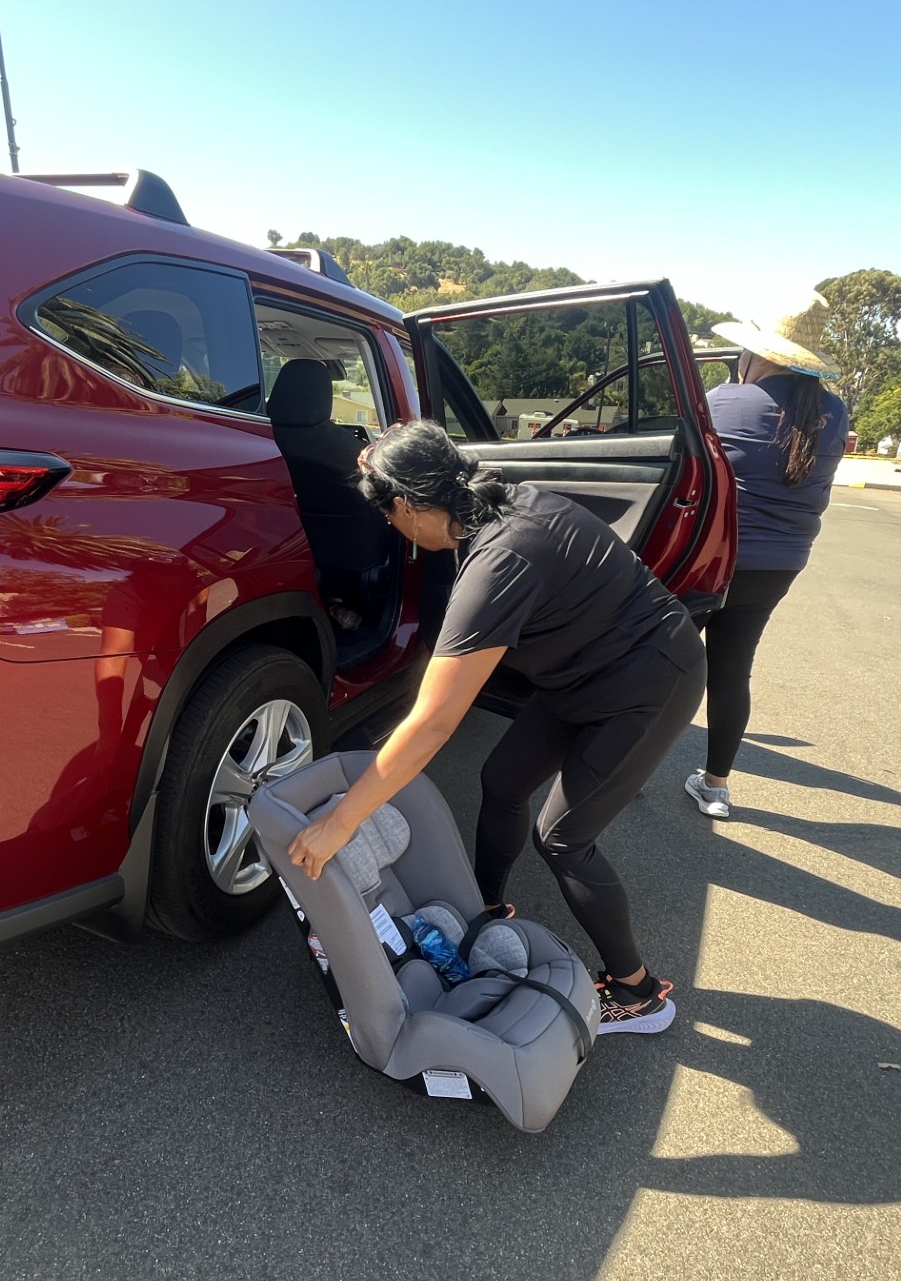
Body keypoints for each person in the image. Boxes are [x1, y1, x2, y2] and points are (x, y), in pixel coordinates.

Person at [286, 421, 706, 1034]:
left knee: (563, 838)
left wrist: (340, 821)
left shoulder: (499, 560)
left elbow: (433, 723)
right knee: (503, 778)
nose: (392, 529)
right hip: (581, 673)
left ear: (405, 505)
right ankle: (482, 907)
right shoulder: (494, 504)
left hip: (649, 682)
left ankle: (638, 992)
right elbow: (440, 680)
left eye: (388, 515)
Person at [686, 294, 852, 819]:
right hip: (779, 567)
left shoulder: (727, 400)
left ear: (758, 354)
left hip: (709, 563)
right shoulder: (833, 409)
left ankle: (625, 772)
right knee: (732, 672)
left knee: (663, 668)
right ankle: (715, 787)